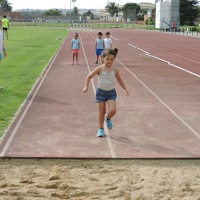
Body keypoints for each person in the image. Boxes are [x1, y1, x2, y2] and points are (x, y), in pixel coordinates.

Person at [82, 49, 129, 137]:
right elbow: (89, 76)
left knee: (113, 110)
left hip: (111, 93)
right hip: (101, 93)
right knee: (101, 112)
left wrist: (124, 89)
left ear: (114, 59)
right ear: (103, 58)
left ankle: (108, 118)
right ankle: (100, 129)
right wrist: (86, 86)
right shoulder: (99, 69)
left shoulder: (115, 70)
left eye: (112, 59)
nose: (109, 61)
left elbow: (119, 79)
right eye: (107, 59)